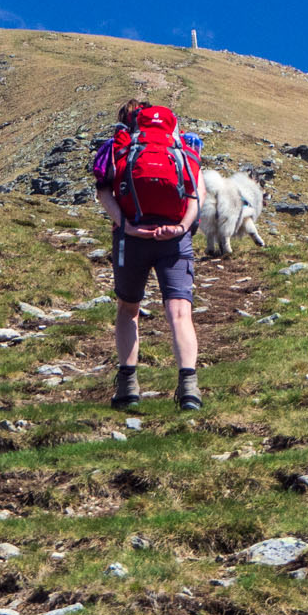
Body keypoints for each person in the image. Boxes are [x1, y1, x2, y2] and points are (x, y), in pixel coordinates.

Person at [93, 98, 202, 410]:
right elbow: (197, 193)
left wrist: (126, 226)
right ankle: (189, 387)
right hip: (174, 239)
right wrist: (180, 228)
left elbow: (103, 190)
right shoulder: (183, 148)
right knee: (180, 312)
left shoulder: (118, 147)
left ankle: (128, 386)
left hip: (132, 238)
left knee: (129, 309)